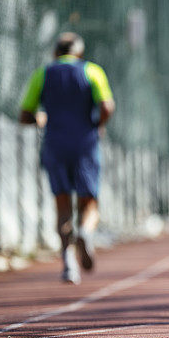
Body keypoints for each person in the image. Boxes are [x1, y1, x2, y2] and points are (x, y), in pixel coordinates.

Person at [19, 32, 115, 284]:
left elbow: (24, 114)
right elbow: (106, 106)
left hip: (55, 144)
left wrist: (41, 118)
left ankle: (68, 264)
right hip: (85, 143)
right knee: (90, 202)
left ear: (55, 53)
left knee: (62, 206)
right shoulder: (92, 71)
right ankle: (85, 231)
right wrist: (98, 124)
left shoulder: (43, 74)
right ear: (80, 53)